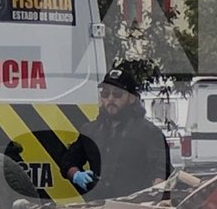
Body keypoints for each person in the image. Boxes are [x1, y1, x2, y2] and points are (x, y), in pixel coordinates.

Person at [60, 67, 171, 199]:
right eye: (105, 94)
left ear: (132, 98)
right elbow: (68, 162)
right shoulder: (90, 131)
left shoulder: (149, 133)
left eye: (117, 94)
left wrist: (156, 188)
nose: (110, 99)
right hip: (98, 208)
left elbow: (161, 170)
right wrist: (76, 175)